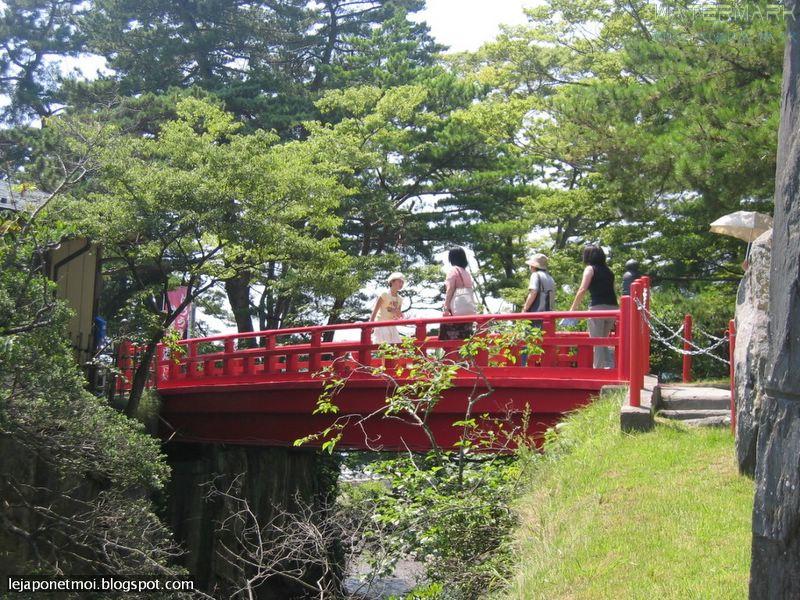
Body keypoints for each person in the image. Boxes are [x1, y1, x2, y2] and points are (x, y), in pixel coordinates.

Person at [568, 245, 618, 369]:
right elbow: (614, 289)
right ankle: (609, 367)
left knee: (596, 341)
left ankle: (598, 370)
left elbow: (582, 289)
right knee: (604, 340)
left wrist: (573, 309)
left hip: (598, 308)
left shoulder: (590, 269)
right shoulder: (609, 271)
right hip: (613, 308)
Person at [520, 253, 555, 366]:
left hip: (535, 315)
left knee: (527, 343)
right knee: (543, 344)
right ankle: (542, 368)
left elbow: (533, 292)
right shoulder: (550, 278)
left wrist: (525, 309)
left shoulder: (536, 275)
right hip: (548, 316)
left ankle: (524, 367)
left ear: (534, 266)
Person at [440, 247, 478, 340]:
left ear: (451, 258)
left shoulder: (453, 271)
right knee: (464, 340)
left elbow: (450, 289)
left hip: (456, 310)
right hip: (468, 310)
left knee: (447, 339)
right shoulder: (466, 273)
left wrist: (446, 307)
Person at [370, 272, 405, 344]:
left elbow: (398, 315)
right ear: (392, 281)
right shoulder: (384, 294)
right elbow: (375, 310)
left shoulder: (400, 299)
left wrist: (399, 315)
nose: (401, 284)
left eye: (402, 282)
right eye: (399, 281)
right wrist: (371, 325)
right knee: (383, 346)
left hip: (391, 325)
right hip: (381, 323)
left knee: (397, 346)